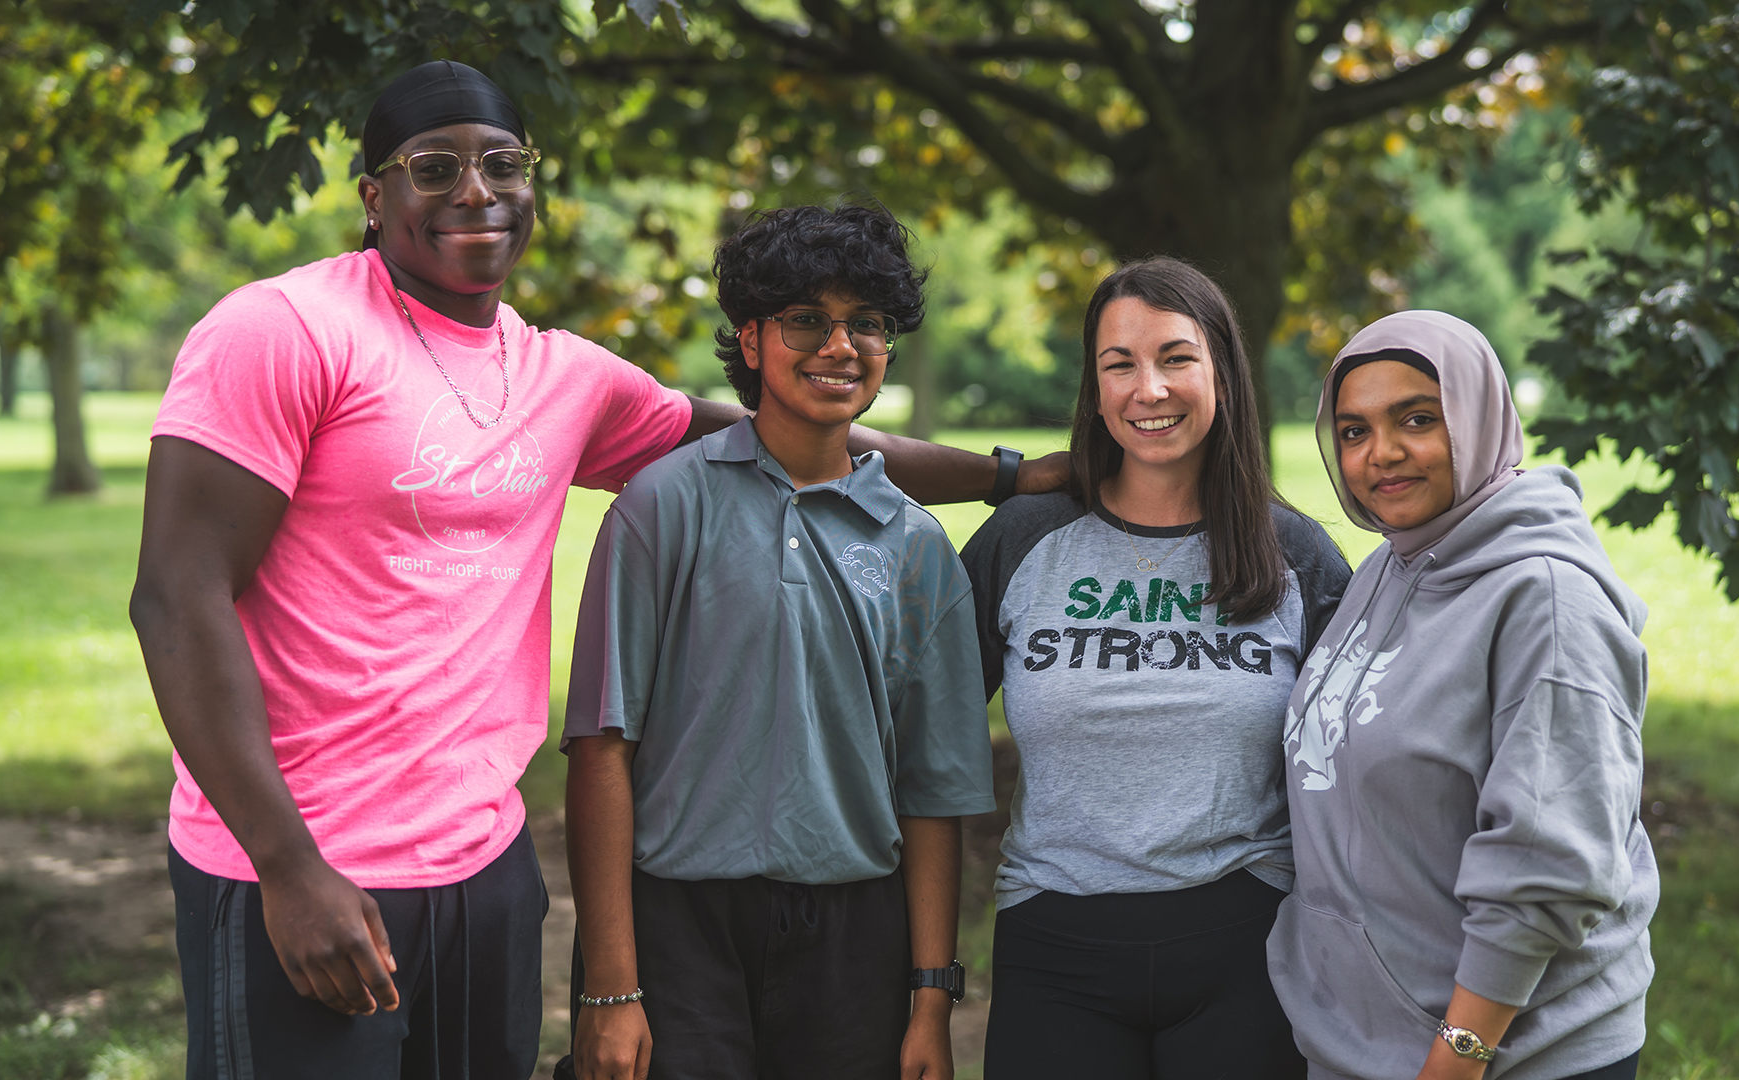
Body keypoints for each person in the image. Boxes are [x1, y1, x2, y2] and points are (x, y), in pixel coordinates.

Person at [128, 61, 1054, 1079]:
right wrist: (286, 866)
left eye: (502, 163)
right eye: (433, 167)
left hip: (482, 863)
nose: (475, 191)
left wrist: (1012, 475)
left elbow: (786, 433)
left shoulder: (560, 374)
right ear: (373, 195)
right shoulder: (284, 330)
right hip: (303, 863)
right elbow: (177, 598)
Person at [559, 203, 995, 1080]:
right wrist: (610, 989)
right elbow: (601, 744)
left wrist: (931, 1000)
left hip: (853, 937)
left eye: (865, 325)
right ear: (751, 341)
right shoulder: (662, 505)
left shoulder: (918, 548)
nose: (840, 346)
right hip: (679, 923)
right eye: (808, 320)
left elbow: (933, 789)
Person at [959, 257, 1351, 1079]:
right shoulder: (1023, 539)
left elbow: (1357, 768)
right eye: (1119, 364)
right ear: (1095, 389)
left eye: (1176, 357)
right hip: (1053, 943)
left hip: (1247, 942)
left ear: (1222, 373)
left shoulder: (1296, 554)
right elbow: (919, 745)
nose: (1150, 389)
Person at [1270, 310, 1656, 1080]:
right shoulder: (1392, 564)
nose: (1381, 454)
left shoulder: (1546, 598)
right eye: (1352, 431)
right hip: (1363, 1041)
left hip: (1509, 1055)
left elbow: (1551, 862)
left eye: (1416, 419)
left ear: (1477, 417)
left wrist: (1458, 1054)